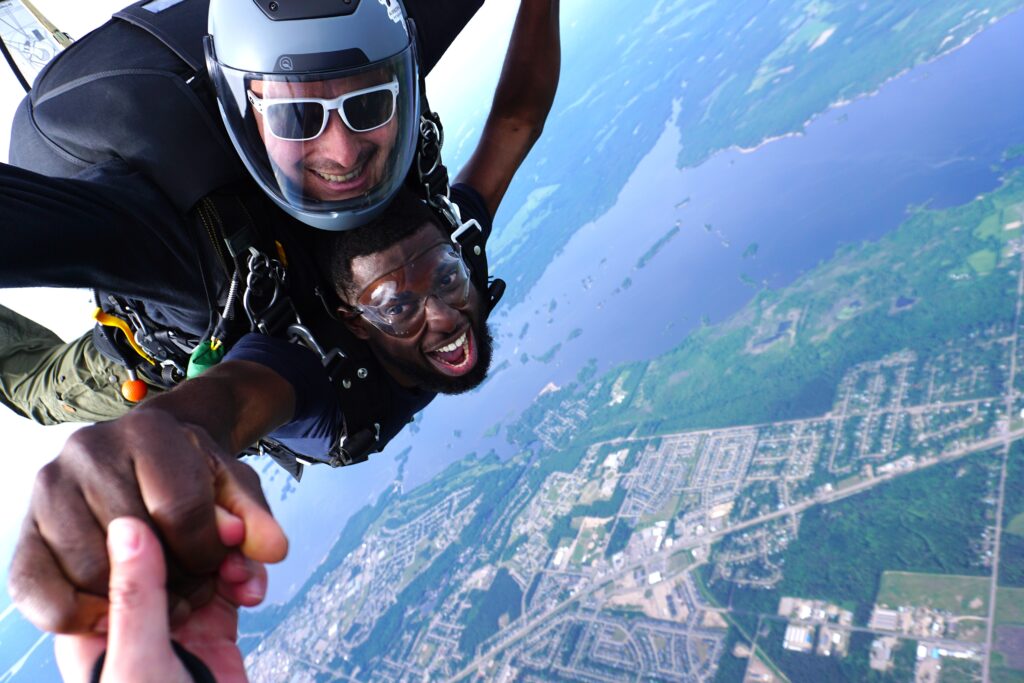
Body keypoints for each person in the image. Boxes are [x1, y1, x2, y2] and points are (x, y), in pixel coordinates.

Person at [6, 0, 561, 642]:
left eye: (434, 287)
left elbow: (238, 396)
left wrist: (166, 433)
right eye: (405, 301)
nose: (443, 314)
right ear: (356, 319)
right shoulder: (435, 270)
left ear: (356, 322)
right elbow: (517, 121)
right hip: (184, 143)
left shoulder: (320, 387)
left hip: (145, 351)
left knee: (34, 387)